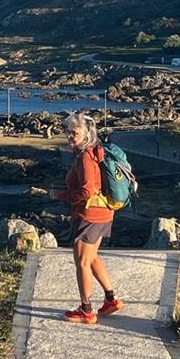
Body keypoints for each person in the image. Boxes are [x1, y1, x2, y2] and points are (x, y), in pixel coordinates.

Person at [49, 113, 124, 324]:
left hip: (89, 215)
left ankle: (86, 310)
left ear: (86, 134)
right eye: (68, 132)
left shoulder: (85, 157)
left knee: (81, 262)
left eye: (75, 132)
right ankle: (111, 299)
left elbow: (87, 190)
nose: (70, 136)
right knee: (91, 258)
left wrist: (61, 196)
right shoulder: (96, 152)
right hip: (104, 213)